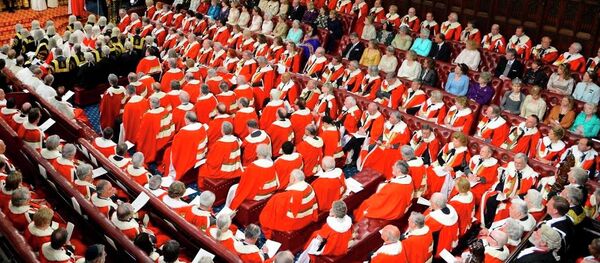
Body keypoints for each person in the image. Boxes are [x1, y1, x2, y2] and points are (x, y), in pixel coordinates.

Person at [259, 169, 318, 238]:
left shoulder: (285, 196)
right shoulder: (309, 187)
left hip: (294, 223)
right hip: (307, 218)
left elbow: (270, 214)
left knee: (266, 218)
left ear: (293, 179)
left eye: (290, 177)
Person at [225, 144, 278, 211]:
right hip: (269, 192)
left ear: (257, 153)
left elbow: (244, 183)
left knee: (233, 189)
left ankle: (228, 208)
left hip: (257, 195)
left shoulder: (253, 167)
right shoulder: (272, 165)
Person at [197, 122, 242, 187]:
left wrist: (206, 160)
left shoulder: (219, 144)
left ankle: (202, 188)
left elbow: (214, 162)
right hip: (235, 167)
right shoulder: (236, 140)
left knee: (202, 169)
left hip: (224, 172)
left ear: (222, 131)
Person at [425, 192, 459, 258]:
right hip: (449, 244)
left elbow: (424, 229)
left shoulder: (434, 219)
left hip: (439, 247)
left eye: (431, 201)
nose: (429, 201)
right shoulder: (451, 210)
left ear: (436, 204)